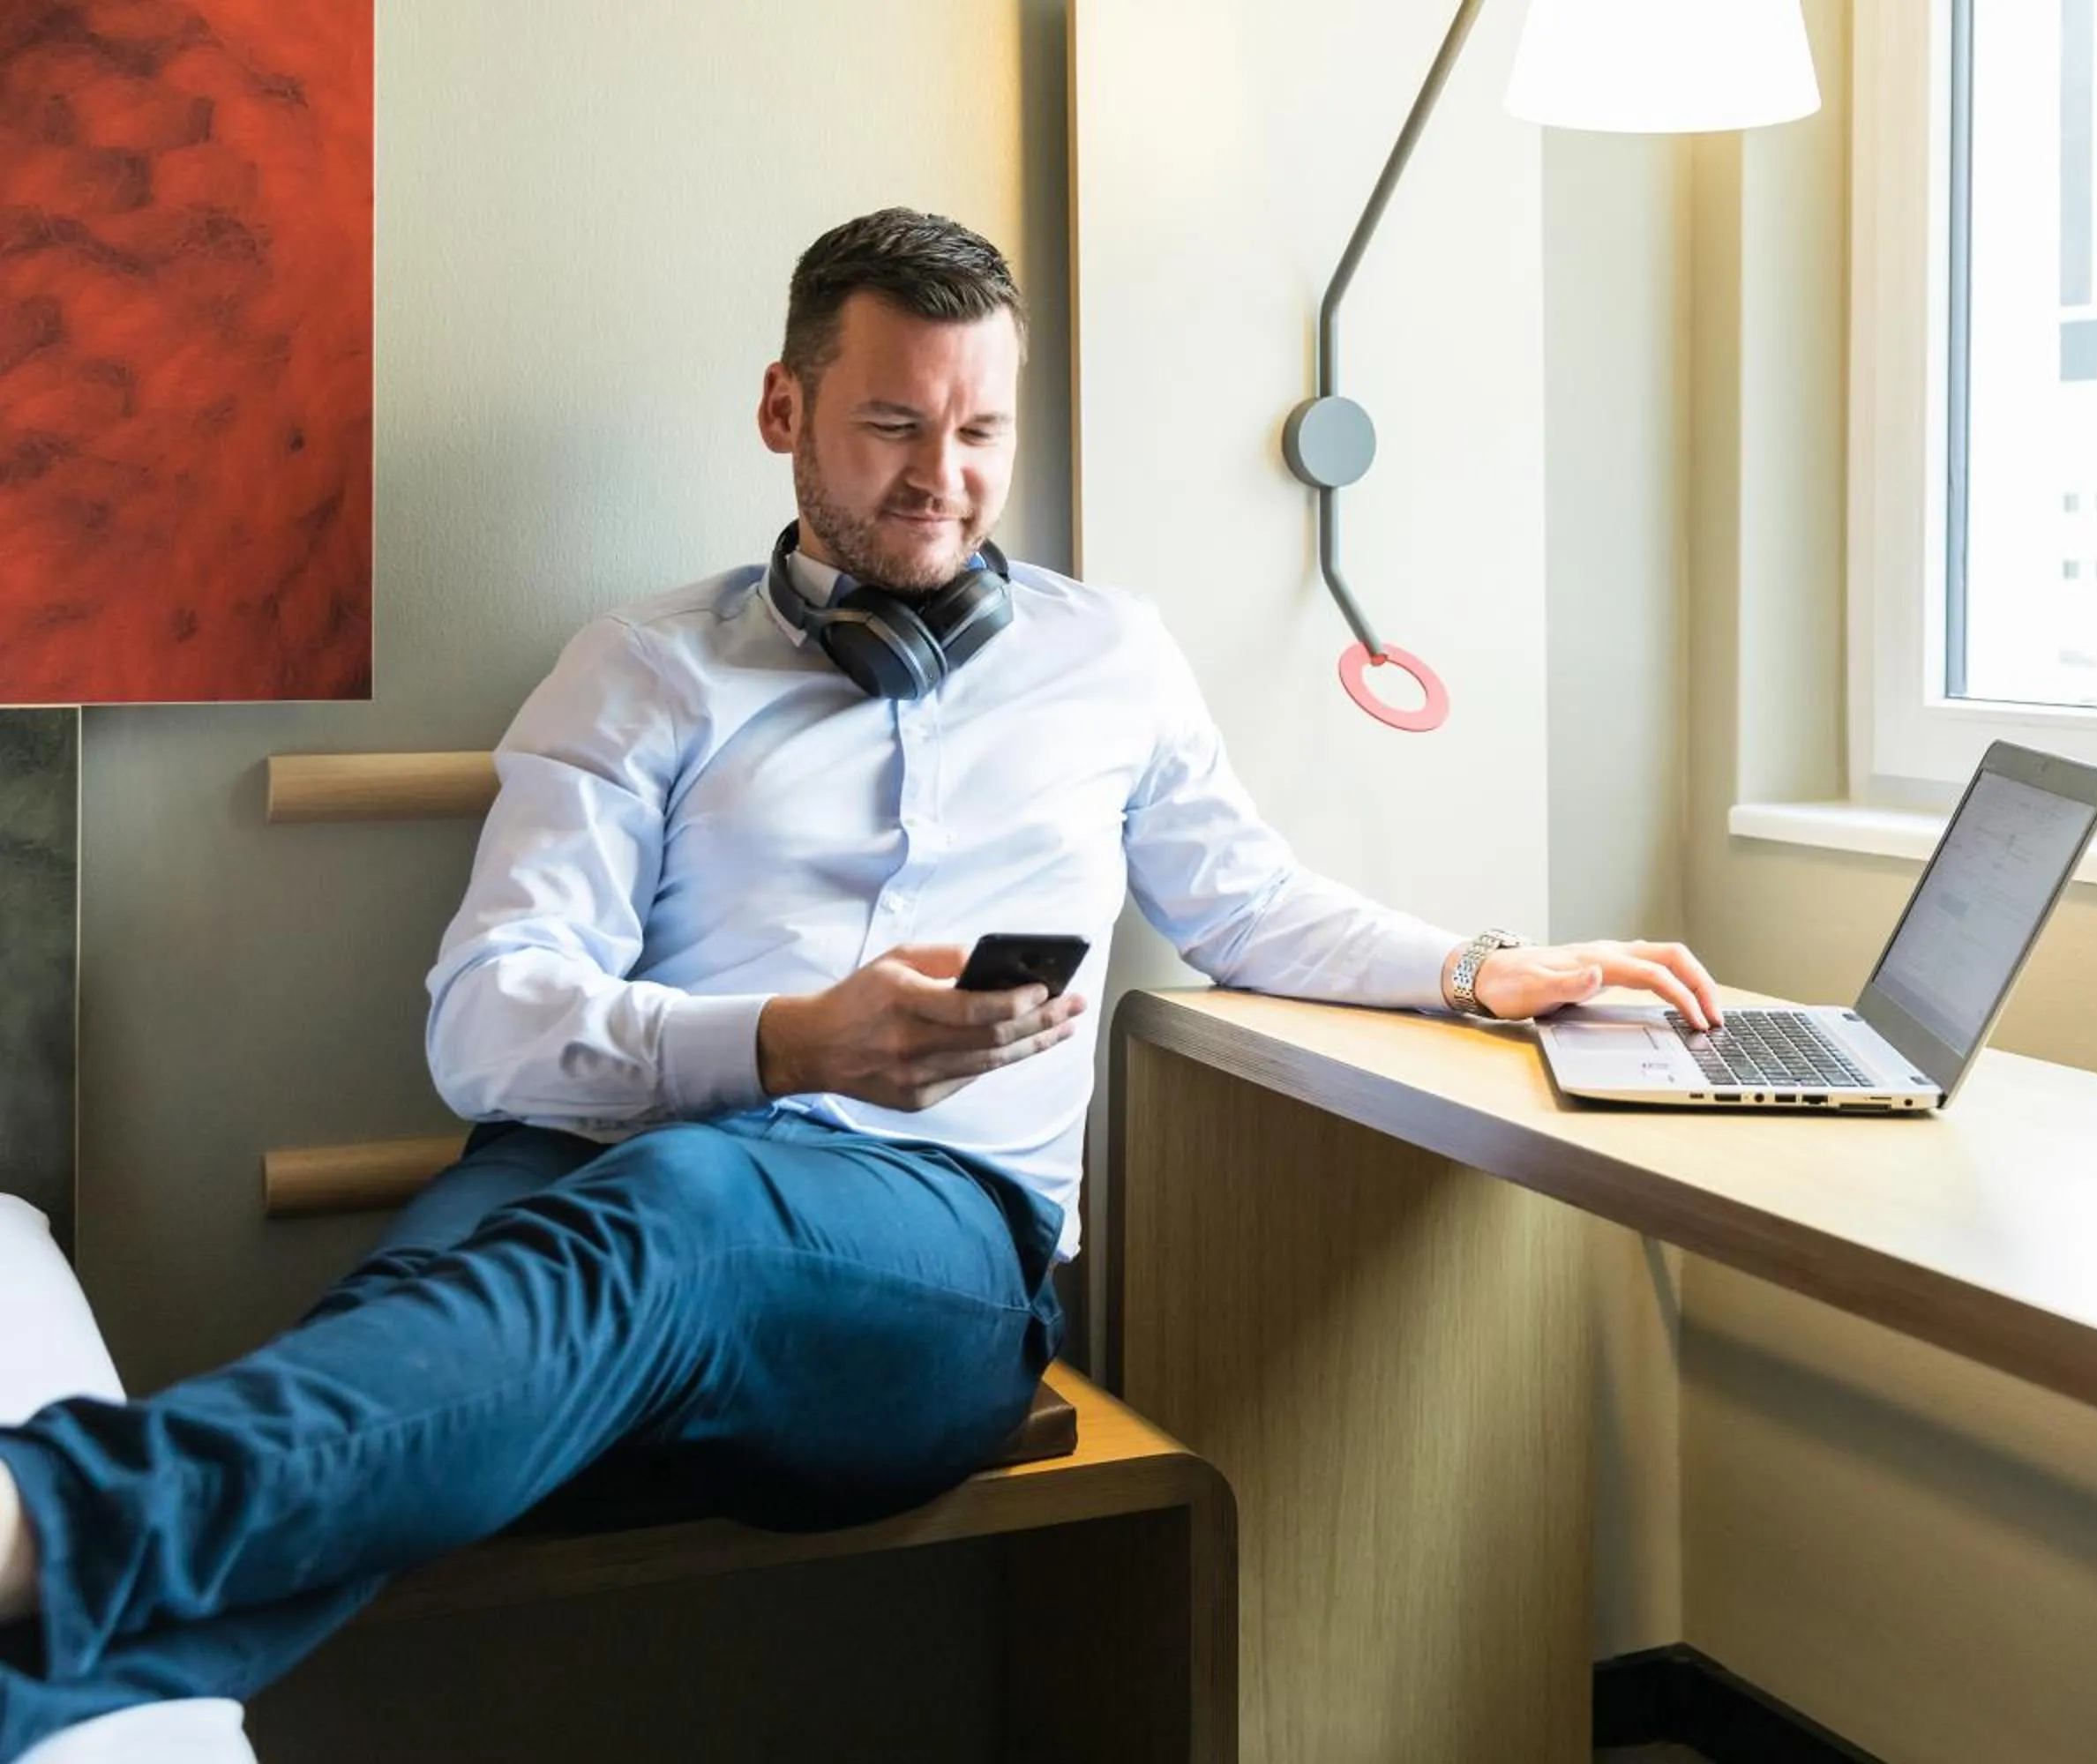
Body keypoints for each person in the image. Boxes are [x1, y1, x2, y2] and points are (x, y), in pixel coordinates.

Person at [0, 206, 1721, 1754]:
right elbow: (484, 1022)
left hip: (930, 1254)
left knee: (674, 1213)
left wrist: (1482, 966)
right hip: (574, 1175)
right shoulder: (643, 667)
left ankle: (38, 1516)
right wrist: (780, 1042)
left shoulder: (1113, 656)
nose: (941, 478)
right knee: (409, 1337)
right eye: (894, 424)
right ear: (786, 409)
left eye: (981, 432)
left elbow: (1251, 907)